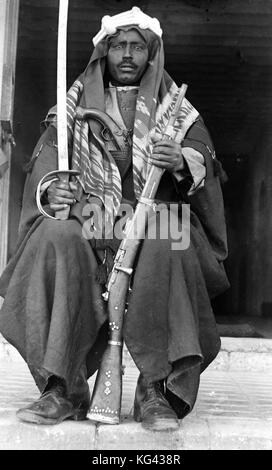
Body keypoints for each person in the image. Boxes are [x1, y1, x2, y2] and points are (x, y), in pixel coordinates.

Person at [0, 7, 229, 431]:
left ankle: (155, 390)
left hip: (151, 217)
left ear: (151, 54)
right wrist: (53, 190)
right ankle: (62, 387)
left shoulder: (178, 111)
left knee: (170, 235)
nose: (127, 55)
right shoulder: (71, 106)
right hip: (90, 216)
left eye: (137, 47)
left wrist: (181, 160)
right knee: (54, 234)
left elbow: (205, 164)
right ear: (104, 52)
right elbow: (46, 167)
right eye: (119, 46)